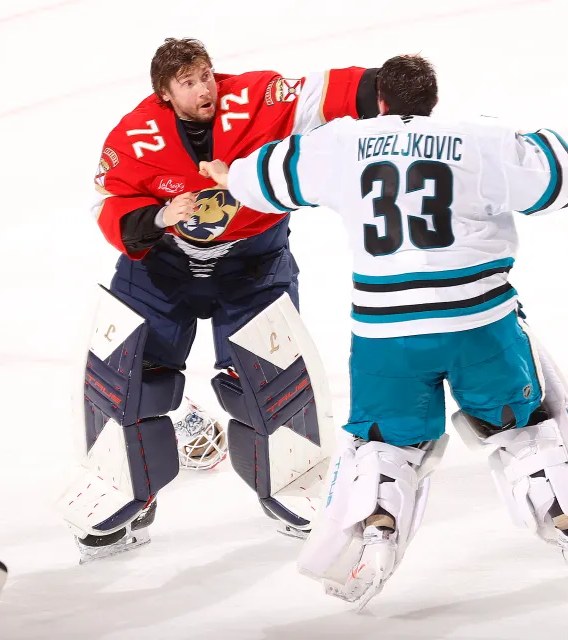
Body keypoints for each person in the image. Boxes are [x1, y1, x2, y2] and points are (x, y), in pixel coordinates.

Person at [201, 54, 568, 608]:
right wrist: (522, 137)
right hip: (480, 323)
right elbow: (559, 178)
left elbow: (263, 178)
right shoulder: (476, 140)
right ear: (433, 99)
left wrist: (225, 174)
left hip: (386, 335)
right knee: (521, 432)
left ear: (380, 101)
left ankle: (377, 543)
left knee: (385, 448)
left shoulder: (340, 145)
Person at [62, 38, 383, 563]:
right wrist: (161, 218)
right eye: (188, 82)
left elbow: (325, 94)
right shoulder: (134, 136)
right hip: (161, 268)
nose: (204, 88)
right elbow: (108, 203)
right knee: (128, 380)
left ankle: (291, 481)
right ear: (164, 94)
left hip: (252, 263)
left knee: (266, 378)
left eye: (207, 75)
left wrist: (386, 89)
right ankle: (120, 490)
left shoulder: (258, 97)